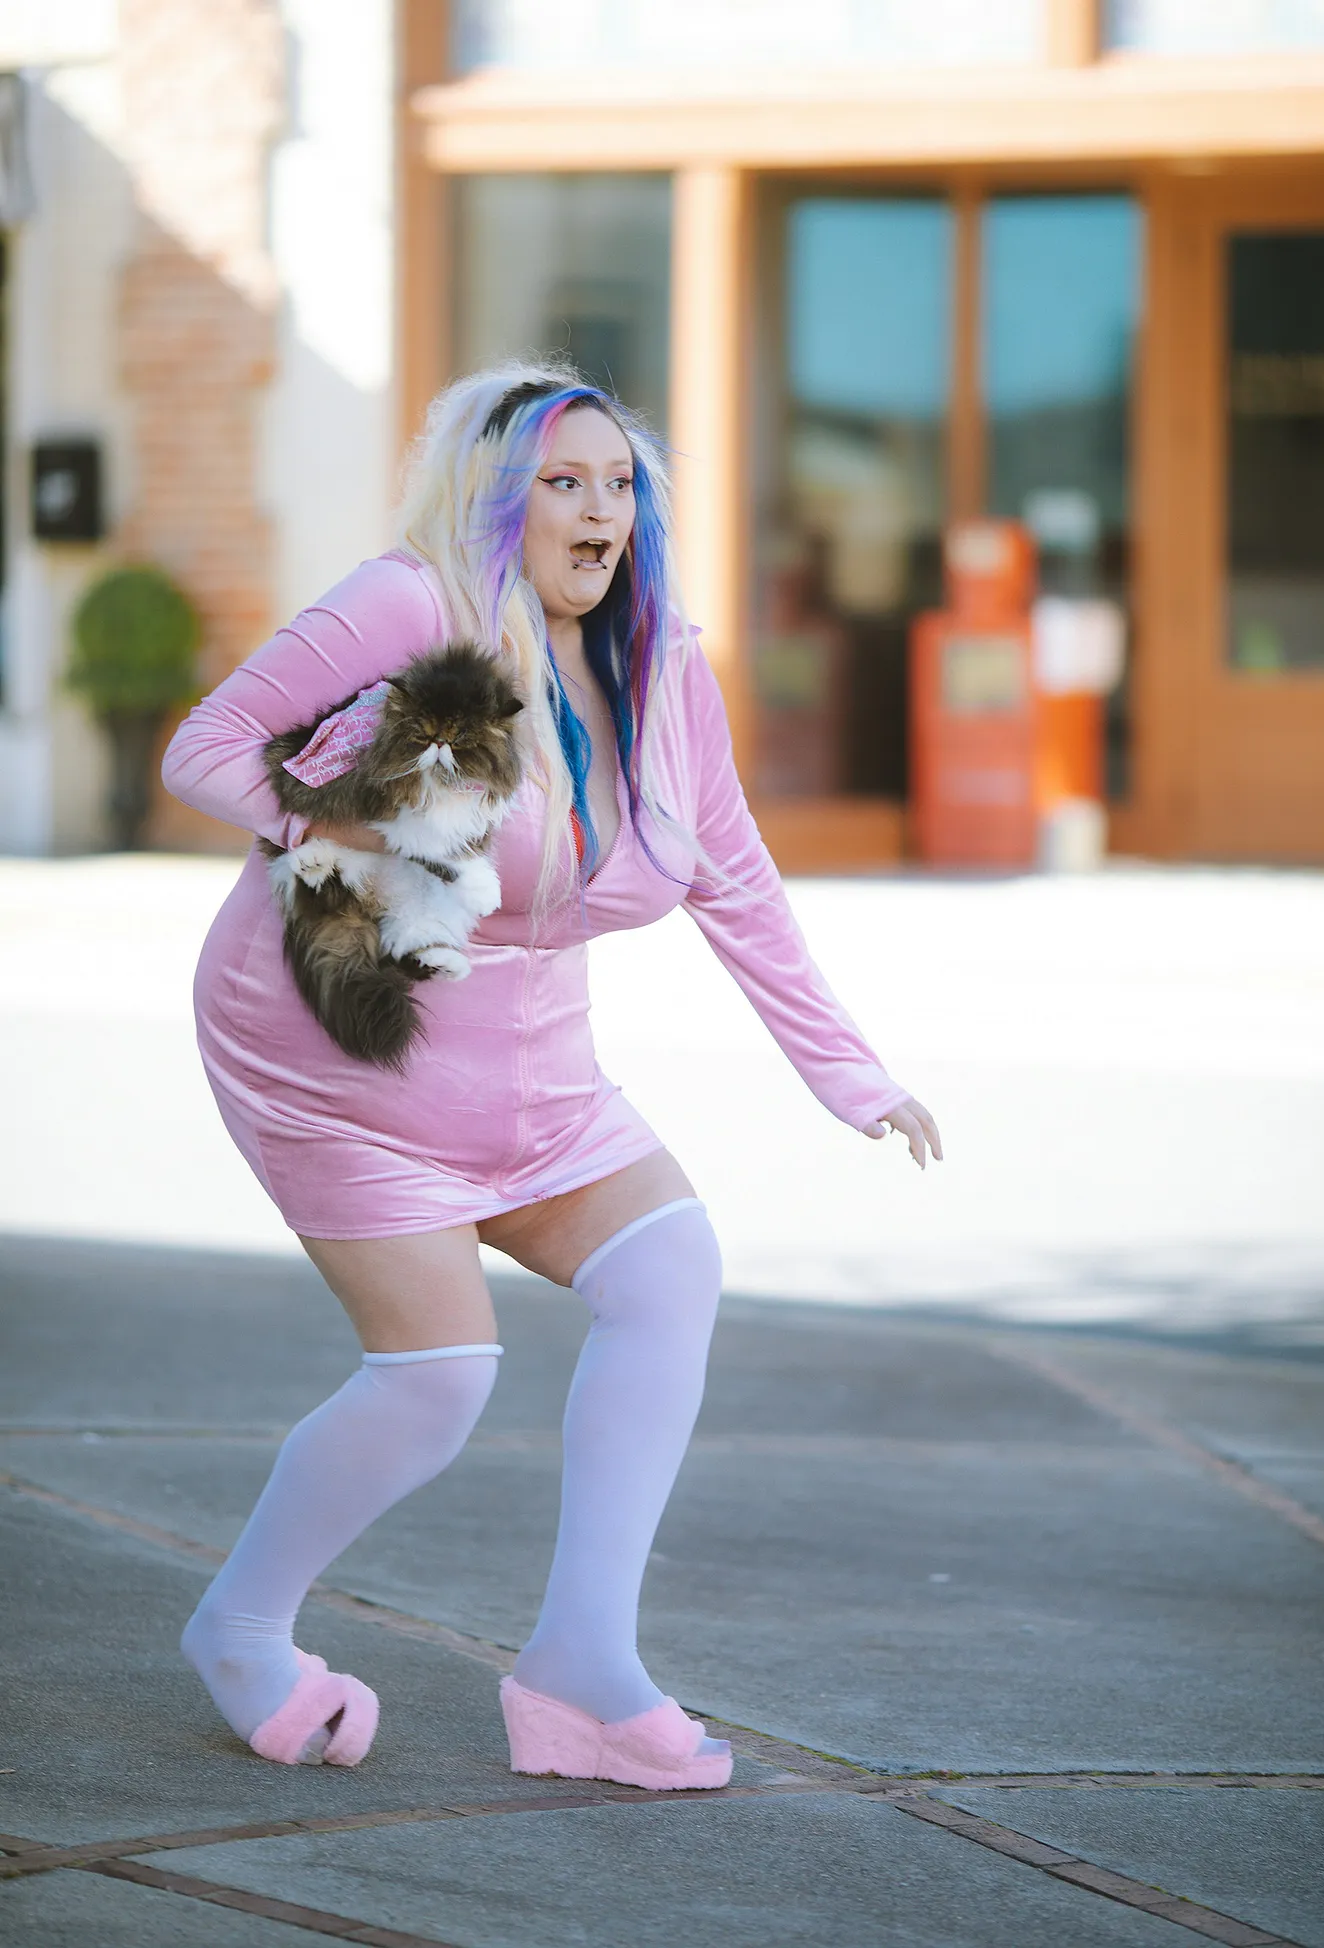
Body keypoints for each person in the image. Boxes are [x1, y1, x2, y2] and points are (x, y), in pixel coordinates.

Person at [161, 361, 941, 1790]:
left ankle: (583, 1669)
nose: (599, 512)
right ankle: (242, 1629)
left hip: (528, 1065)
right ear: (498, 505)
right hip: (337, 1047)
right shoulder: (414, 602)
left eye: (619, 483)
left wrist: (849, 1072)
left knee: (667, 1269)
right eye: (561, 484)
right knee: (439, 1378)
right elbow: (202, 748)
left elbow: (733, 877)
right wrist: (342, 815)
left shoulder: (660, 665)